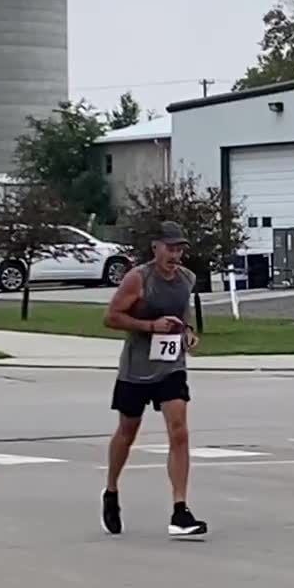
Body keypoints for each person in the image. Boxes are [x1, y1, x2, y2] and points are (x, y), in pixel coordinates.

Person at [100, 221, 207, 539]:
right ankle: (111, 491)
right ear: (156, 248)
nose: (175, 255)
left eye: (179, 249)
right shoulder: (139, 279)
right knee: (127, 432)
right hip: (137, 368)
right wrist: (151, 327)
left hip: (171, 367)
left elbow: (183, 319)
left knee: (180, 432)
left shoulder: (187, 279)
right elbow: (111, 317)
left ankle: (180, 510)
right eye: (170, 248)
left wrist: (187, 334)